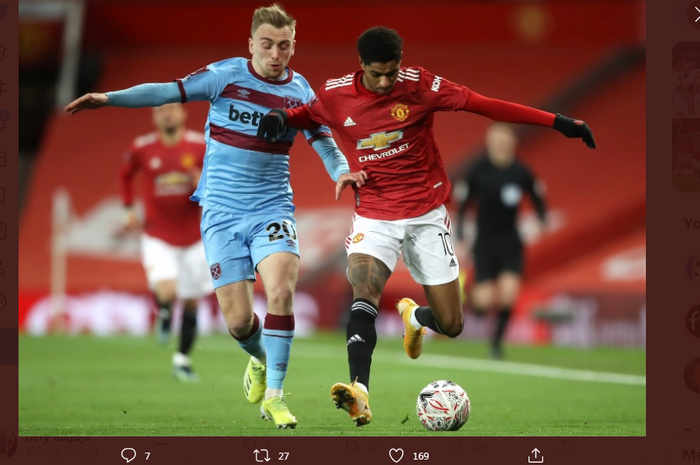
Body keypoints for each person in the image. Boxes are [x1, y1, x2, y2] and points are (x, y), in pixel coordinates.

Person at [257, 26, 595, 427]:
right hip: (375, 214)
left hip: (426, 214)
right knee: (363, 287)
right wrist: (281, 116)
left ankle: (415, 319)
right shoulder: (334, 94)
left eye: (392, 72)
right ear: (361, 65)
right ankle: (360, 391)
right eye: (377, 73)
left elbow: (484, 105)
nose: (386, 82)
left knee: (452, 324)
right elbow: (304, 115)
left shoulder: (421, 86)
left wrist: (557, 122)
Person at [65, 4, 366, 429]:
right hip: (222, 214)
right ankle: (259, 359)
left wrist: (341, 172)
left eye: (283, 45)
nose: (275, 53)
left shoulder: (300, 93)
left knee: (281, 292)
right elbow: (166, 91)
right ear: (251, 45)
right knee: (240, 323)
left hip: (272, 208)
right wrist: (109, 98)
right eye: (266, 45)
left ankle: (276, 397)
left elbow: (324, 141)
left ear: (293, 46)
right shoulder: (225, 76)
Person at [120, 102, 212, 381]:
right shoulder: (142, 148)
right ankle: (163, 310)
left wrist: (203, 181)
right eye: (161, 110)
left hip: (195, 238)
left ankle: (182, 360)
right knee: (169, 290)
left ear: (183, 114)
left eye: (172, 109)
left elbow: (218, 178)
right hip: (158, 234)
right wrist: (127, 207)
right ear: (154, 117)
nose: (167, 114)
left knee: (192, 301)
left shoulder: (200, 146)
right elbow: (125, 174)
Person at [455, 123, 547, 360]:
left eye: (505, 140)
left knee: (508, 295)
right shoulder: (478, 170)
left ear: (512, 143)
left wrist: (541, 219)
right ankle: (469, 297)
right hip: (484, 242)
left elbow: (537, 197)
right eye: (497, 140)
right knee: (484, 303)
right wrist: (461, 236)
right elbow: (464, 204)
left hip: (510, 242)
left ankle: (496, 345)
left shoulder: (521, 172)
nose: (501, 144)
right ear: (489, 143)